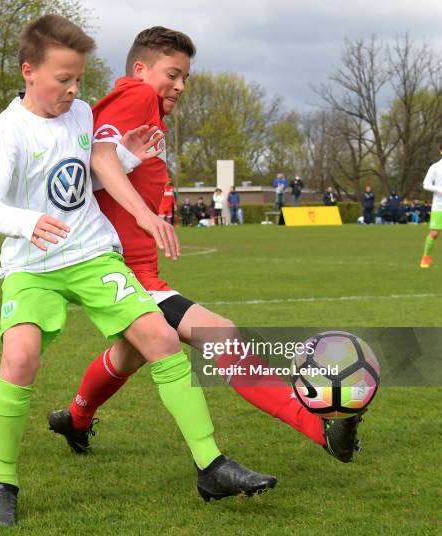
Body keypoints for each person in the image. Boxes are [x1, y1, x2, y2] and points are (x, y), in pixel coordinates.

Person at [0, 16, 275, 527]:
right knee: (19, 358)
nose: (73, 90)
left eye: (78, 80)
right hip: (32, 264)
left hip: (90, 255)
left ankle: (211, 465)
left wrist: (130, 166)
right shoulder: (8, 130)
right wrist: (27, 222)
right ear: (29, 71)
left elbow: (90, 175)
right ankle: (4, 483)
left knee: (159, 337)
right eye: (62, 79)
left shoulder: (82, 114)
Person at [48, 23, 360, 497]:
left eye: (185, 78)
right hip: (120, 270)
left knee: (129, 354)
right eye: (172, 74)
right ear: (140, 68)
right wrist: (144, 215)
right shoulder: (135, 97)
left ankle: (75, 418)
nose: (179, 86)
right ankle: (319, 427)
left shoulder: (144, 108)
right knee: (222, 334)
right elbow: (100, 156)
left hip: (135, 269)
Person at [420, 143, 442, 268]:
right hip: (439, 205)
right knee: (434, 233)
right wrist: (439, 190)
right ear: (441, 151)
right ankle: (425, 257)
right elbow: (426, 184)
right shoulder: (435, 167)